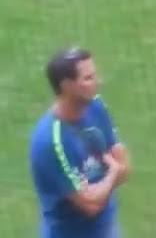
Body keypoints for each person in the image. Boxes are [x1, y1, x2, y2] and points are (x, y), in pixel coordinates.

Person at [29, 47, 131, 238]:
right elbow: (90, 206)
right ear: (67, 85)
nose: (98, 82)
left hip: (107, 230)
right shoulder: (51, 141)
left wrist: (102, 187)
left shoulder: (97, 107)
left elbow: (125, 167)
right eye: (88, 78)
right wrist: (112, 173)